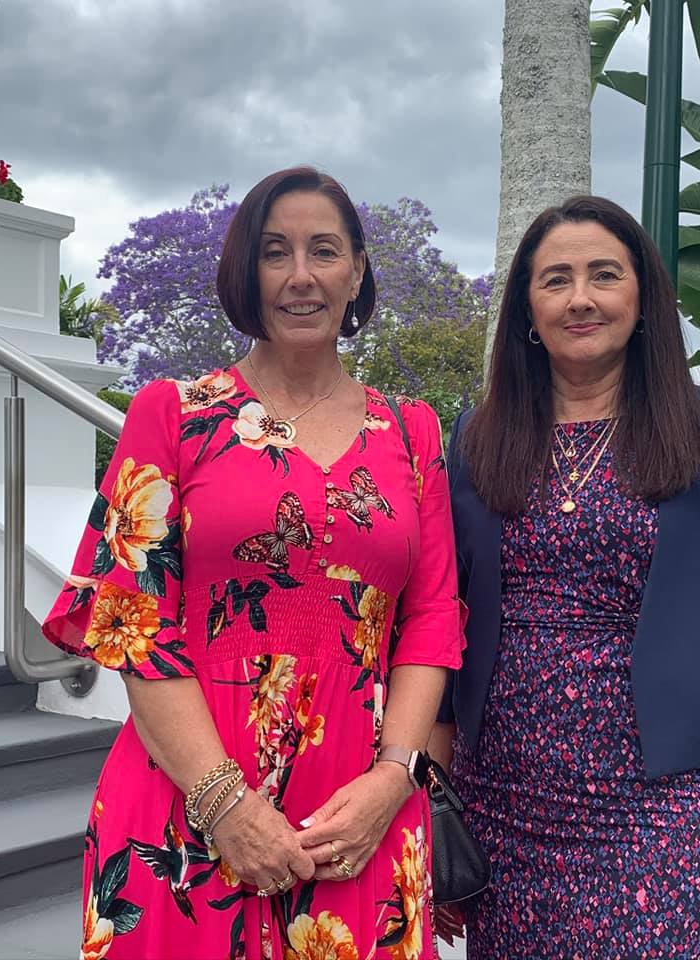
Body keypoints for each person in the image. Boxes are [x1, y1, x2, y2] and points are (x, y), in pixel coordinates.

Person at [42, 166, 463, 959]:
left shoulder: (414, 435)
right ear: (248, 270)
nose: (300, 276)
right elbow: (134, 621)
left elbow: (433, 617)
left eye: (324, 251)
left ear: (358, 271)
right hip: (185, 805)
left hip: (357, 821)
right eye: (276, 253)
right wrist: (224, 804)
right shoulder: (172, 415)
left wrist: (393, 780)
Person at [432, 195, 700, 959]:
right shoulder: (478, 437)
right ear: (527, 309)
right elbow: (445, 622)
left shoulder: (695, 432)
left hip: (658, 797)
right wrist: (435, 793)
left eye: (603, 275)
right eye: (555, 280)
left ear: (643, 299)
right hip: (502, 800)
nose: (580, 298)